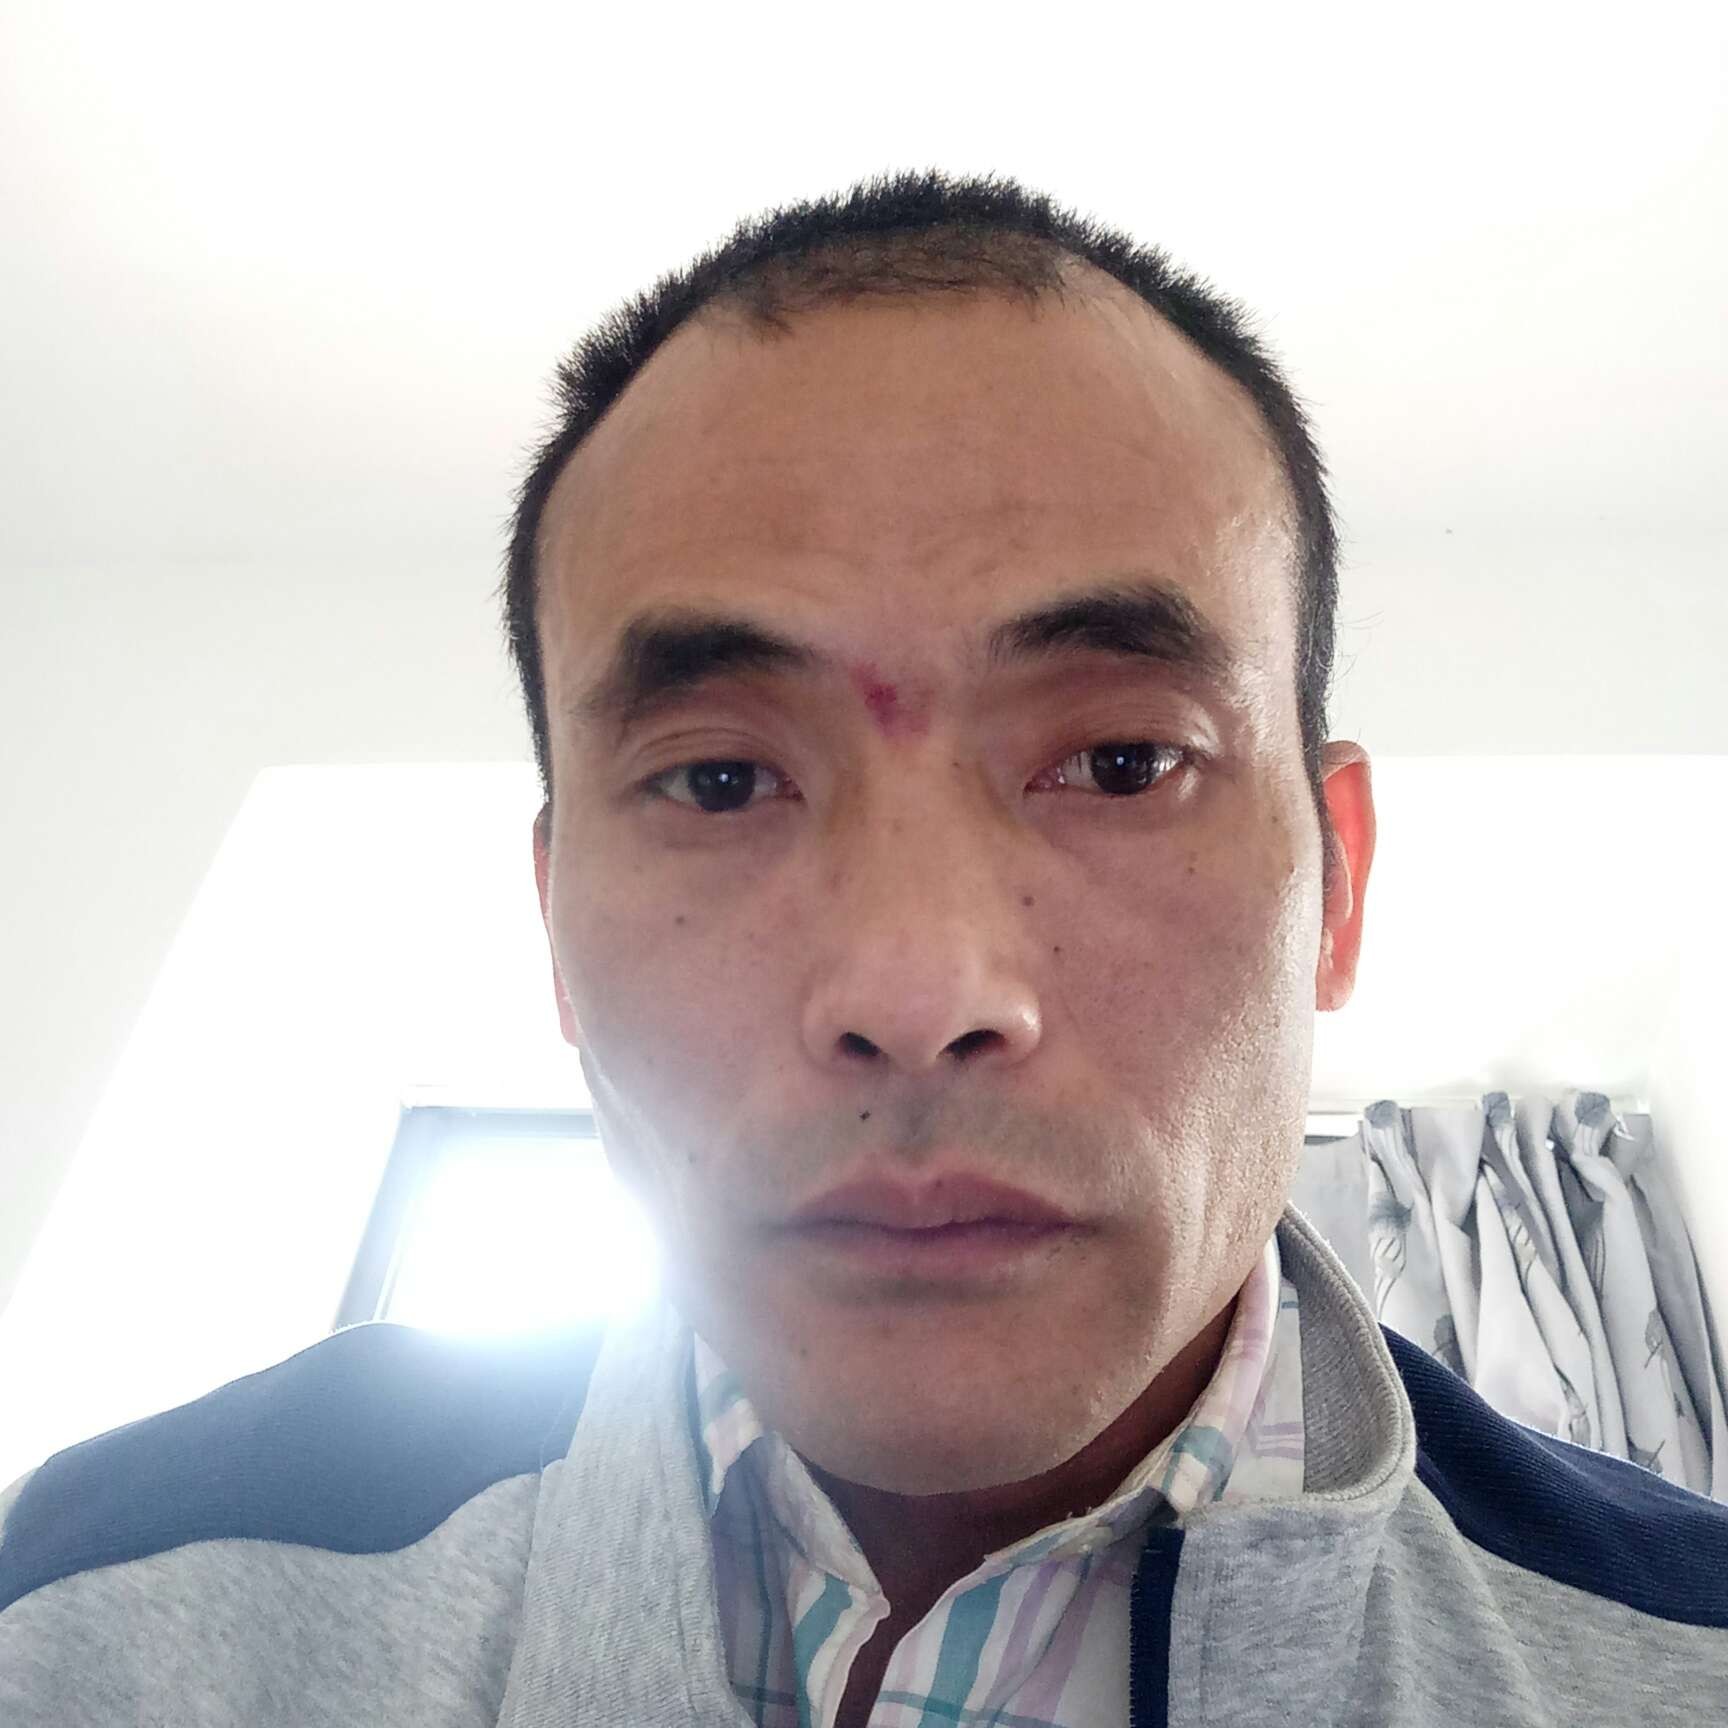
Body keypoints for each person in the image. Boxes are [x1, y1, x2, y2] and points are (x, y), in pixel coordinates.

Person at [2, 167, 1724, 1727]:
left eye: (1124, 762)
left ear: (1337, 888)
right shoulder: (99, 1615)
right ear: (553, 930)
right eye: (720, 779)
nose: (919, 993)